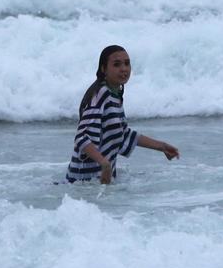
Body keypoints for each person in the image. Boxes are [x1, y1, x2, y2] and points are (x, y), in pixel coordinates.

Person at [67, 45, 179, 183]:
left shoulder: (114, 95)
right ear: (103, 69)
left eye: (127, 63)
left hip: (98, 182)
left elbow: (123, 134)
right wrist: (105, 165)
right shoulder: (100, 95)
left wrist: (162, 147)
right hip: (83, 183)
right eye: (116, 64)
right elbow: (82, 138)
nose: (124, 68)